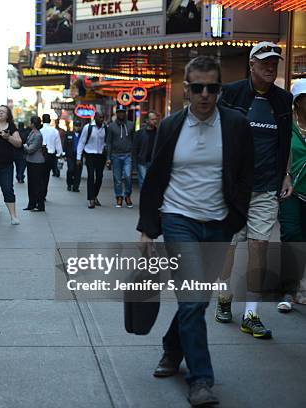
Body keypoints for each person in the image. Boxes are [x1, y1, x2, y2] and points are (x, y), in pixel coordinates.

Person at [138, 56, 253, 407]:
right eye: (198, 87)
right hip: (178, 218)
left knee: (196, 302)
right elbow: (155, 178)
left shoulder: (235, 124)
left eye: (213, 88)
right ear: (186, 89)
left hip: (218, 223)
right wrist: (147, 229)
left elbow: (245, 174)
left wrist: (236, 220)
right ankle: (201, 379)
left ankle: (172, 350)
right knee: (192, 299)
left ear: (220, 89)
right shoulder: (172, 126)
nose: (205, 94)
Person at [215, 41, 293, 339]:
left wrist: (285, 175)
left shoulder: (284, 100)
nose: (271, 66)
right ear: (251, 65)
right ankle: (223, 299)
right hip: (233, 190)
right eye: (264, 62)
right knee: (229, 248)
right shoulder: (232, 94)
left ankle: (251, 314)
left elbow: (283, 142)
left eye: (275, 62)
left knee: (260, 247)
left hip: (266, 188)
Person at [277, 79, 306, 312]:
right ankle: (288, 290)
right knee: (292, 236)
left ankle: (299, 286)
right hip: (291, 190)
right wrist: (284, 174)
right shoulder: (288, 125)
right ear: (297, 102)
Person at [106, 106, 135, 208]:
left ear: (125, 113)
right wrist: (108, 158)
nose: (121, 114)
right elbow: (108, 143)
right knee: (117, 178)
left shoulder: (131, 125)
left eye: (123, 112)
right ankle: (119, 197)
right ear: (116, 113)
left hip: (128, 154)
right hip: (116, 155)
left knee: (128, 176)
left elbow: (134, 140)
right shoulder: (112, 126)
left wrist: (133, 154)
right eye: (119, 112)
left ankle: (127, 195)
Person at [77, 113, 107, 208]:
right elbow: (82, 142)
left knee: (99, 177)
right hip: (89, 154)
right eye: (99, 117)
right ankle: (90, 199)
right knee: (90, 175)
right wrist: (79, 157)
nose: (101, 119)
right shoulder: (88, 127)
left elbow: (106, 142)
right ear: (95, 118)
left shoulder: (105, 128)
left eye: (103, 117)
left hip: (100, 155)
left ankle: (94, 195)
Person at [23, 116, 46, 211]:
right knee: (31, 184)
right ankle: (31, 204)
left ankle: (40, 205)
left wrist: (25, 145)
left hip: (37, 162)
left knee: (37, 184)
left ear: (33, 124)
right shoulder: (32, 132)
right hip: (31, 161)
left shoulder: (38, 135)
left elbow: (31, 149)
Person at [132, 111, 159, 189]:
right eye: (152, 119)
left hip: (154, 162)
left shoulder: (159, 132)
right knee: (143, 181)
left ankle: (149, 199)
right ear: (147, 120)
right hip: (142, 161)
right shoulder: (140, 133)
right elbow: (135, 148)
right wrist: (134, 164)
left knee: (152, 182)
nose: (155, 121)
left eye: (155, 119)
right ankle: (144, 200)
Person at [40, 114, 63, 200]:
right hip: (50, 155)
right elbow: (58, 144)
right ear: (50, 121)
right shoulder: (54, 131)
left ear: (42, 120)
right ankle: (44, 194)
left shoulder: (40, 130)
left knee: (40, 175)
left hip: (41, 154)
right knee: (46, 175)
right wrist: (60, 154)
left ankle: (40, 193)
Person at [63, 120, 82, 192]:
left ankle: (76, 186)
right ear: (73, 126)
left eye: (79, 126)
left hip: (78, 156)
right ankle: (69, 184)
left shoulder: (82, 135)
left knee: (78, 171)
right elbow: (65, 144)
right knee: (70, 169)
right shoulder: (69, 134)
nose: (77, 127)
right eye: (76, 126)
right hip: (70, 155)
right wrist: (64, 154)